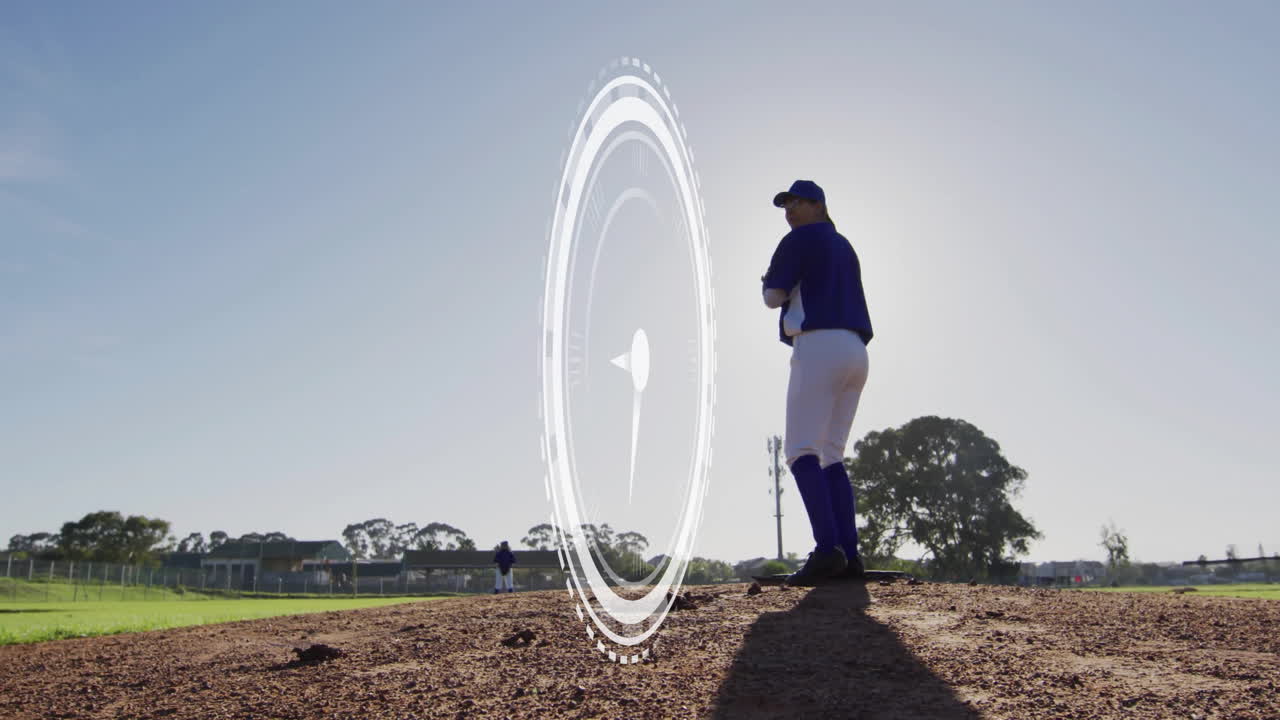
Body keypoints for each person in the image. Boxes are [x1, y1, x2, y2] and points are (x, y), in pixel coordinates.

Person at [761, 179, 873, 586]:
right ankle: (850, 556)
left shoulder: (799, 239)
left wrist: (767, 283)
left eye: (799, 202)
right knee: (831, 455)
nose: (790, 210)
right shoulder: (844, 245)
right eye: (786, 204)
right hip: (856, 350)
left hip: (818, 345)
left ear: (819, 206)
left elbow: (773, 297)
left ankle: (828, 551)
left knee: (800, 452)